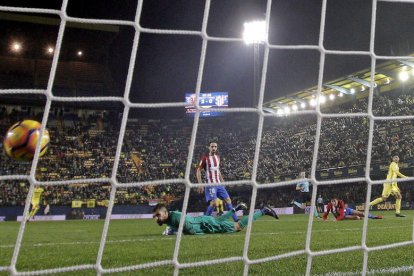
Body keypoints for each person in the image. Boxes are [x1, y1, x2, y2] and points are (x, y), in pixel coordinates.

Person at [153, 202, 279, 235]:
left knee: (238, 226)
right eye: (155, 216)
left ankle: (264, 210)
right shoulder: (170, 217)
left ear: (165, 212)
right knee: (219, 220)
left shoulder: (175, 218)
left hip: (206, 225)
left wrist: (174, 232)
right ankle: (236, 208)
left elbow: (191, 230)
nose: (156, 218)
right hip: (204, 220)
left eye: (158, 215)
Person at [196, 142, 238, 221]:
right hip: (210, 184)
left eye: (215, 147)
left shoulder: (218, 157)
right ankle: (204, 220)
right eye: (212, 146)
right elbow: (198, 170)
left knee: (228, 200)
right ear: (209, 147)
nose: (214, 148)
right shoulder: (205, 158)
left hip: (219, 184)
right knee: (214, 203)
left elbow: (217, 170)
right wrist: (200, 184)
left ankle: (236, 220)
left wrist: (222, 180)